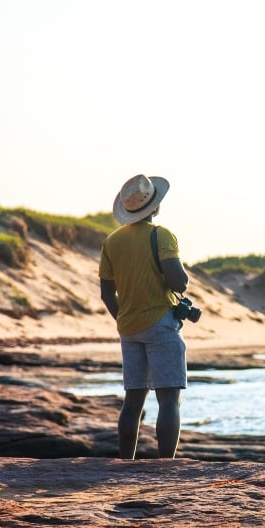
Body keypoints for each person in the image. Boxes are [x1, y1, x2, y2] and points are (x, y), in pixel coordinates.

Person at [99, 174, 190, 459]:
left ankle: (126, 462)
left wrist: (123, 319)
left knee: (133, 400)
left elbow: (106, 294)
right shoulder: (160, 235)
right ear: (155, 206)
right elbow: (179, 283)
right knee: (168, 399)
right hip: (160, 324)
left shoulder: (112, 242)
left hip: (128, 328)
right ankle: (165, 467)